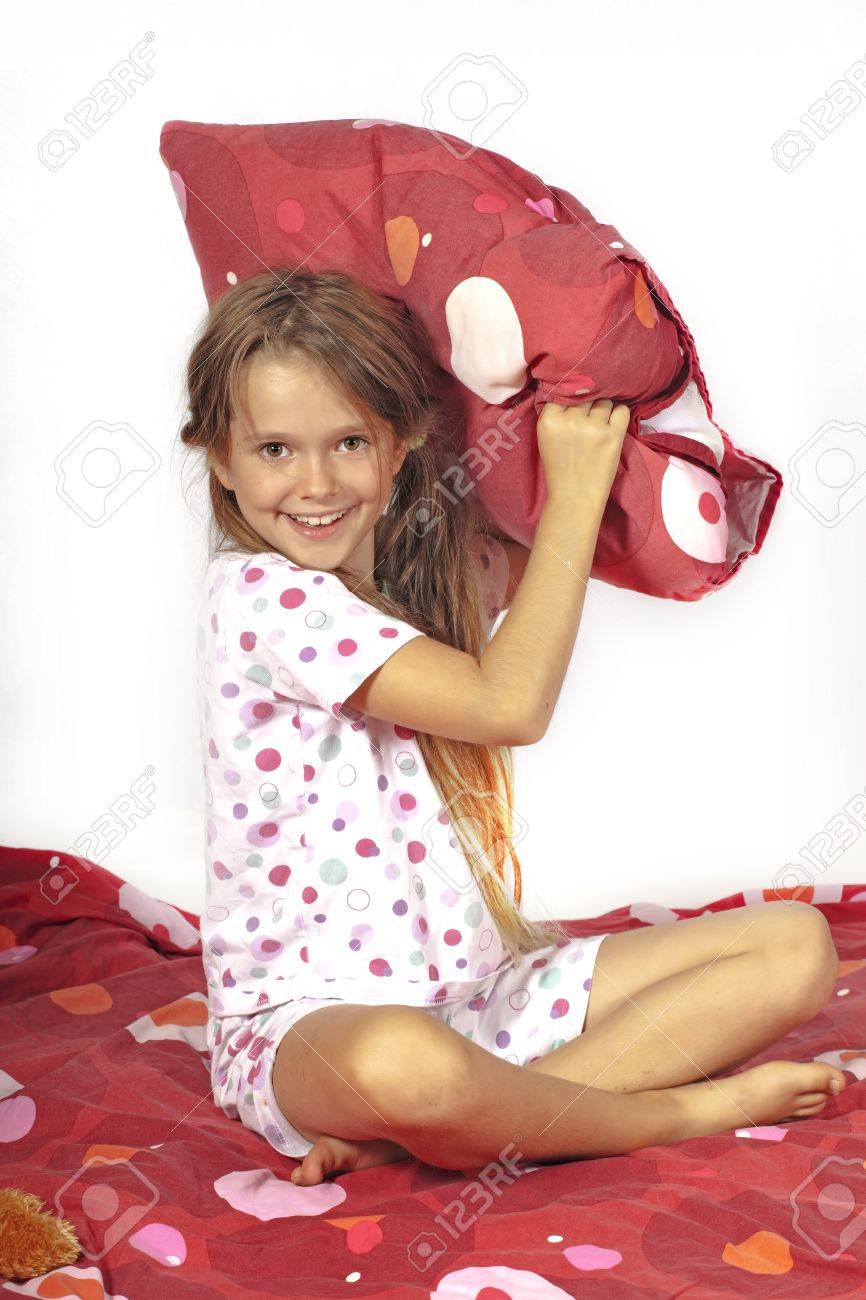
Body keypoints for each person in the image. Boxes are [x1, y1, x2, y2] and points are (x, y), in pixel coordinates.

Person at [180, 266, 844, 1188]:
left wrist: (566, 417)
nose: (317, 482)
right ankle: (669, 1113)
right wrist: (576, 492)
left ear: (404, 439)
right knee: (403, 1061)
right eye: (275, 451)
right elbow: (510, 704)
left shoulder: (393, 590)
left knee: (793, 950)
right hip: (311, 1028)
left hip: (479, 1001)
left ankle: (464, 1125)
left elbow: (530, 582)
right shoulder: (259, 594)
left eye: (347, 442)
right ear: (219, 458)